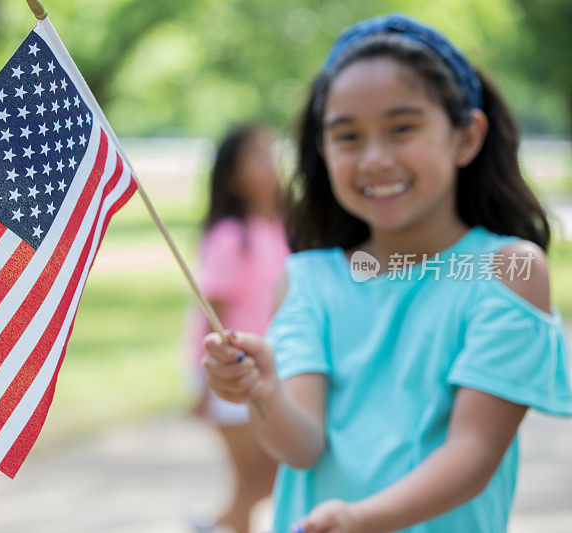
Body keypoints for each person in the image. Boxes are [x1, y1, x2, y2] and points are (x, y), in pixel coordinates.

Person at [202, 13, 572, 533]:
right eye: (348, 136)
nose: (375, 159)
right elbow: (302, 446)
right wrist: (264, 392)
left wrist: (361, 519)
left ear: (467, 136)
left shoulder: (506, 269)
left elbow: (473, 452)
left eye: (402, 129)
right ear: (323, 151)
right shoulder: (307, 279)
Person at [186, 124, 289, 533]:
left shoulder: (285, 227)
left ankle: (214, 523)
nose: (270, 162)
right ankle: (224, 523)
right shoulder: (230, 236)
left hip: (276, 368)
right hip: (232, 369)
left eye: (272, 150)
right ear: (232, 175)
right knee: (253, 476)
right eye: (256, 155)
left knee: (272, 476)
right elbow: (212, 313)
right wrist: (203, 385)